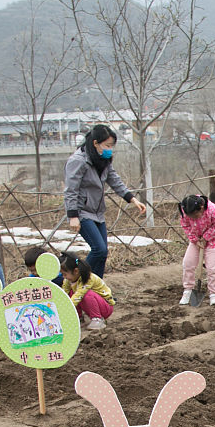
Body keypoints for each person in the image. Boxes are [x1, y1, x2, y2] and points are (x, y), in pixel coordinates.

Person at [64, 124, 147, 279]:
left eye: (112, 146)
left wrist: (131, 198)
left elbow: (114, 179)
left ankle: (97, 291)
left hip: (97, 211)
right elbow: (71, 190)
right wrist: (73, 215)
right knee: (99, 249)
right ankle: (75, 280)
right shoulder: (78, 161)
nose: (110, 149)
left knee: (103, 254)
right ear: (96, 143)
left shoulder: (103, 159)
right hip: (82, 212)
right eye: (107, 145)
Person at [177, 194, 215, 306]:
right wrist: (195, 240)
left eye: (195, 215)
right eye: (190, 216)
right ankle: (188, 290)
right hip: (196, 239)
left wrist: (206, 237)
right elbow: (185, 226)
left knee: (212, 268)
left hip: (214, 239)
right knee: (188, 263)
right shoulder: (185, 210)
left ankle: (214, 294)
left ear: (202, 207)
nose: (192, 218)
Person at [60, 252, 115, 330]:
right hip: (90, 306)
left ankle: (97, 319)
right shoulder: (68, 280)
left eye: (65, 274)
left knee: (85, 294)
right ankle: (78, 317)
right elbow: (64, 293)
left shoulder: (88, 278)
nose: (64, 277)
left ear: (76, 271)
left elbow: (79, 295)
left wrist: (67, 308)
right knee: (71, 293)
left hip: (105, 307)